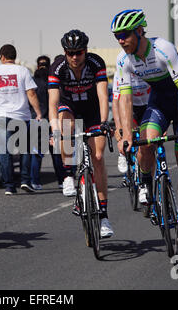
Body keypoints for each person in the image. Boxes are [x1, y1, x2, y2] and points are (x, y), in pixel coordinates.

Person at [111, 9, 178, 248]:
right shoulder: (123, 59)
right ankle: (147, 184)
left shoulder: (163, 48)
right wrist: (126, 135)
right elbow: (125, 99)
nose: (120, 40)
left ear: (140, 31)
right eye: (116, 36)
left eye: (125, 34)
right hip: (158, 102)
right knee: (146, 141)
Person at [48, 29, 113, 238]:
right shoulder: (57, 67)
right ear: (65, 53)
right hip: (69, 108)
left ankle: (103, 216)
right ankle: (68, 174)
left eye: (79, 52)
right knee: (64, 122)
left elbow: (103, 96)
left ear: (86, 51)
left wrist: (103, 122)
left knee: (99, 157)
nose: (75, 57)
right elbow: (53, 103)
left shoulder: (96, 63)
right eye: (71, 53)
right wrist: (55, 130)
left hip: (93, 110)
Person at [0, 44, 42, 195]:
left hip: (3, 115)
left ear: (2, 57)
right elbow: (31, 93)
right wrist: (38, 112)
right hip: (21, 115)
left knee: (5, 152)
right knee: (25, 149)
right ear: (14, 56)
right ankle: (25, 181)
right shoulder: (23, 70)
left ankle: (9, 186)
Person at [29, 55, 66, 190]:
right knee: (56, 153)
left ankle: (35, 181)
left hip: (36, 120)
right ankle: (62, 180)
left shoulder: (32, 82)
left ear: (37, 66)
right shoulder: (53, 83)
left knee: (36, 154)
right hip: (52, 121)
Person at [112, 70, 150, 180]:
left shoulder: (146, 68)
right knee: (128, 132)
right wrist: (119, 126)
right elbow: (116, 102)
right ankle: (123, 153)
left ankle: (146, 181)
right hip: (131, 108)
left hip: (148, 106)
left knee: (149, 145)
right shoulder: (121, 70)